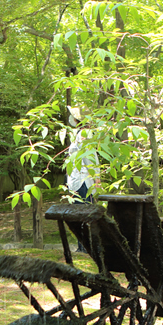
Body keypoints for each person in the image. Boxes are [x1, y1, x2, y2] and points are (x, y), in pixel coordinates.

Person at [65, 107, 98, 253]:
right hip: (78, 181)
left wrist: (95, 178)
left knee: (84, 214)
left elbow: (89, 158)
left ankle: (85, 247)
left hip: (84, 181)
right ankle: (82, 246)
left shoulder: (84, 134)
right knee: (80, 214)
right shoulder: (79, 134)